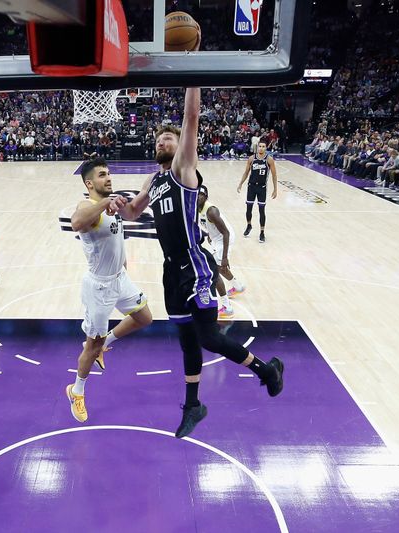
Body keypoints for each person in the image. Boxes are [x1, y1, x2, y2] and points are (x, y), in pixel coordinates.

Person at [116, 86, 284, 439]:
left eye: (169, 138)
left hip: (194, 265)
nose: (163, 142)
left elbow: (191, 118)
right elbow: (133, 212)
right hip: (170, 270)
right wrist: (116, 204)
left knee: (208, 337)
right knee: (187, 342)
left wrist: (194, 75)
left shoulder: (182, 168)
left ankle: (266, 371)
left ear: (181, 147)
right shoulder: (153, 178)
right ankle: (194, 405)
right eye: (160, 139)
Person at [65, 158, 153, 423]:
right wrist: (105, 203)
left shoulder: (112, 204)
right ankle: (76, 391)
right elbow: (77, 222)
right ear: (89, 183)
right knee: (91, 347)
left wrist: (150, 184)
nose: (109, 178)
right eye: (103, 175)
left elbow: (134, 213)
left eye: (109, 173)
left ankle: (106, 345)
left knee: (144, 317)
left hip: (119, 279)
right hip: (99, 288)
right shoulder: (88, 206)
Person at [196, 184, 245, 319]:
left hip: (224, 237)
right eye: (196, 194)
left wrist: (224, 257)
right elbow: (208, 225)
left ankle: (227, 308)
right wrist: (210, 236)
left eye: (201, 195)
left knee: (215, 272)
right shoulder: (197, 208)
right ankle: (238, 286)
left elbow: (226, 232)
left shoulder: (211, 211)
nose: (198, 197)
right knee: (220, 270)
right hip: (217, 238)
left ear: (206, 197)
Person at [237, 141, 278, 242]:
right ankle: (249, 225)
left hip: (262, 188)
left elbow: (274, 175)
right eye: (260, 146)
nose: (261, 148)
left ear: (265, 148)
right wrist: (240, 183)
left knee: (261, 210)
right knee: (249, 209)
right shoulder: (251, 158)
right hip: (251, 187)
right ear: (257, 147)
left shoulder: (269, 160)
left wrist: (275, 189)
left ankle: (262, 232)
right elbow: (246, 172)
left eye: (263, 146)